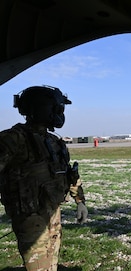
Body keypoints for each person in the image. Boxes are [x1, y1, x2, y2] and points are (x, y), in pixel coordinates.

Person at [0, 85, 88, 271]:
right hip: (30, 217)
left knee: (51, 266)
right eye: (57, 109)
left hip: (53, 213)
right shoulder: (13, 140)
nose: (60, 114)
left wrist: (80, 201)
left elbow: (69, 175)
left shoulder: (54, 142)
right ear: (44, 109)